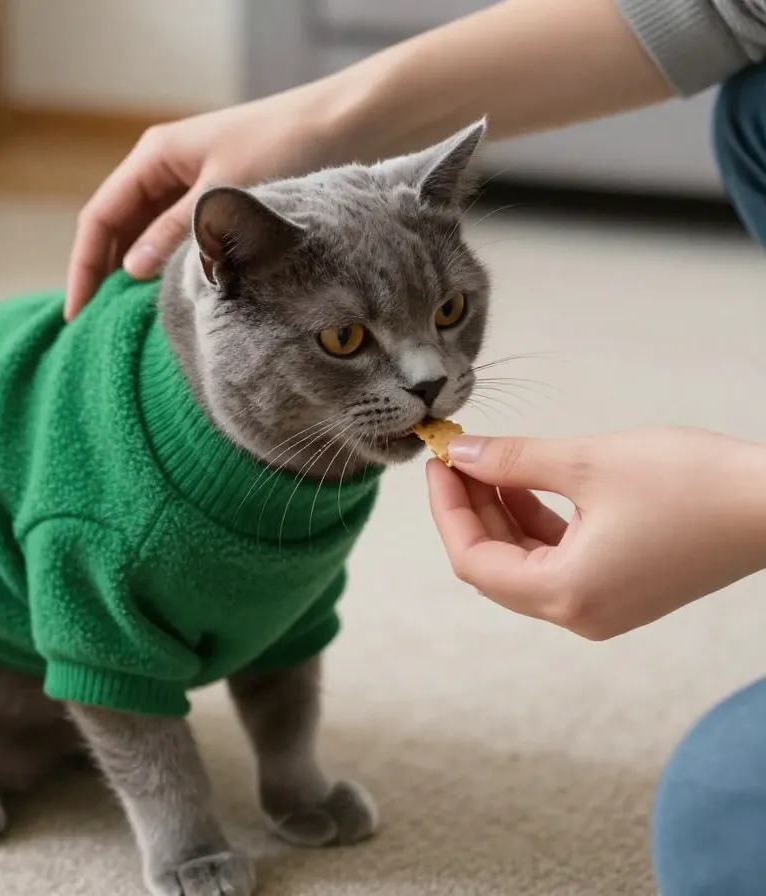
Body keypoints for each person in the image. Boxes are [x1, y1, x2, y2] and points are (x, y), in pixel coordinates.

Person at [61, 1, 766, 893]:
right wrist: (332, 110)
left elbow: (284, 609)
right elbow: (727, 9)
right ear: (226, 276)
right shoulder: (113, 468)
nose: (432, 375)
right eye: (348, 342)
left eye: (448, 313)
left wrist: (741, 504)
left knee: (720, 817)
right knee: (754, 115)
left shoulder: (315, 436)